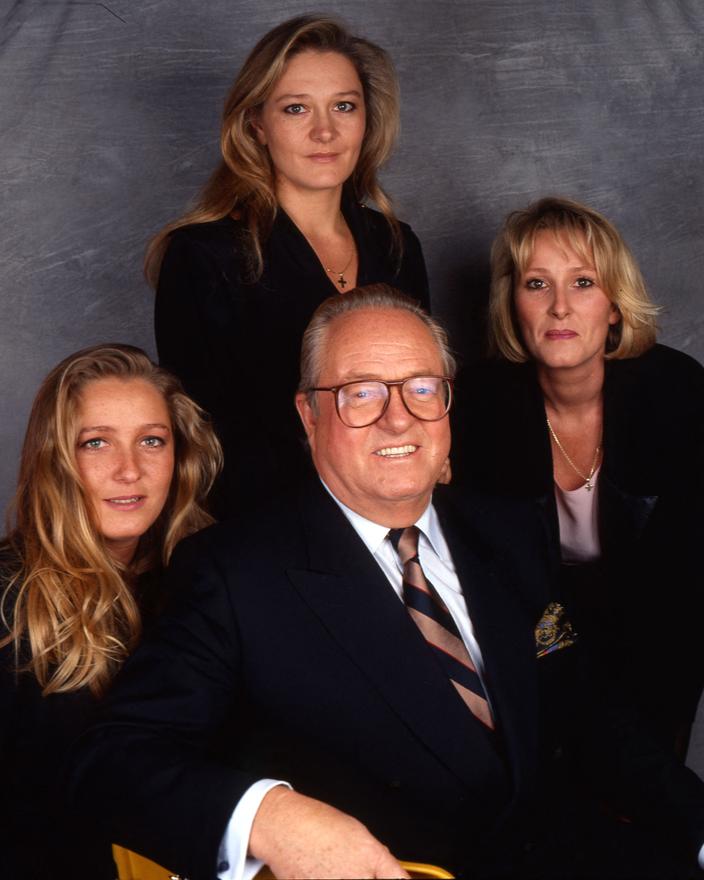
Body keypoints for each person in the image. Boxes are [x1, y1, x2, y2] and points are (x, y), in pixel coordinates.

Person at [71, 287, 704, 880]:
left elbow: (585, 709)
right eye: (362, 393)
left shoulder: (510, 530)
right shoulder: (233, 573)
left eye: (422, 388)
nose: (399, 419)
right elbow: (115, 762)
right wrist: (268, 817)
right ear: (308, 414)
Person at [150, 15, 429, 516]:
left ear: (368, 120)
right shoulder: (203, 257)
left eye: (344, 106)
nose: (325, 131)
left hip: (396, 508)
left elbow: (424, 394)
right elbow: (203, 440)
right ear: (255, 124)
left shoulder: (396, 245)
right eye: (296, 108)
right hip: (268, 522)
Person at [453, 195, 704, 752]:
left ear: (614, 306)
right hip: (539, 629)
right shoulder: (479, 404)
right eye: (537, 284)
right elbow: (494, 575)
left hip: (661, 627)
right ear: (513, 303)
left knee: (647, 776)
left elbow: (686, 579)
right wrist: (554, 661)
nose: (560, 307)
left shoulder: (677, 392)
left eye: (583, 283)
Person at [0, 344, 222, 880]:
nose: (130, 470)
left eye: (152, 441)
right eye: (96, 443)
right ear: (55, 459)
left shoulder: (204, 581)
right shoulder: (9, 598)